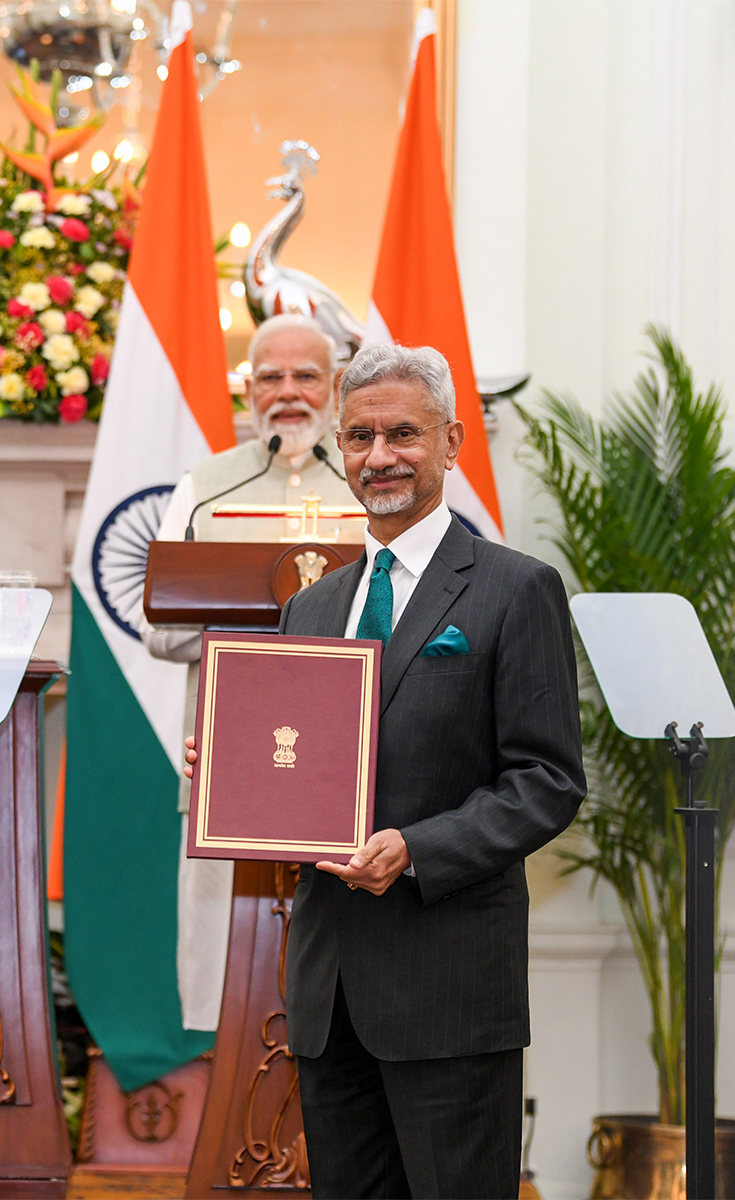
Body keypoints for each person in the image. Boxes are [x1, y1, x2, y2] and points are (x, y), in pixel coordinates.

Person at [184, 343, 585, 1198]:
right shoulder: (312, 602)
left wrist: (415, 847)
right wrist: (230, 767)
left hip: (448, 991)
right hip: (330, 995)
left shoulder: (516, 590)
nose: (378, 457)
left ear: (452, 442)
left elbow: (547, 781)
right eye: (359, 436)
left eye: (402, 434)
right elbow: (297, 758)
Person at [144, 312, 364, 1033]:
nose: (289, 392)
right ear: (248, 390)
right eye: (271, 376)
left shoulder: (370, 481)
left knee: (348, 994)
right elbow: (159, 629)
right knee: (230, 990)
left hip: (351, 766)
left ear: (335, 386)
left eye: (306, 375)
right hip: (228, 763)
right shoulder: (204, 489)